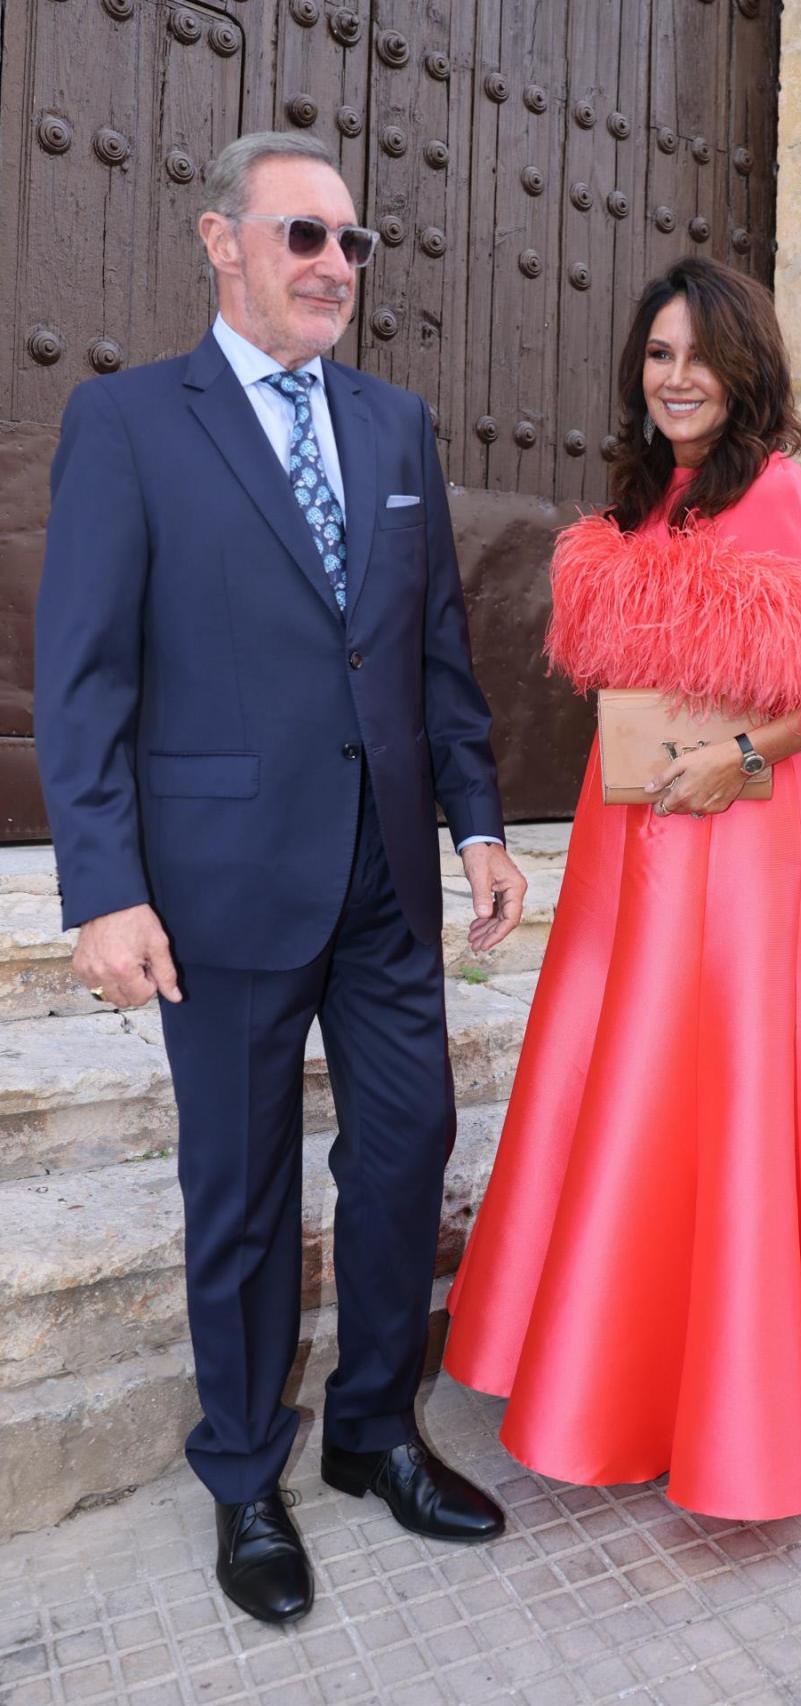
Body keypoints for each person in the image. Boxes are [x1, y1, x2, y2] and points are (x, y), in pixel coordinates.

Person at [34, 130, 528, 1625]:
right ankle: (248, 1470)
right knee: (239, 1187)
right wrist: (100, 884)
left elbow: (435, 645)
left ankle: (375, 1427)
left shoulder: (393, 426)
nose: (332, 266)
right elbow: (86, 673)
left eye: (350, 244)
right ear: (220, 240)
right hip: (218, 884)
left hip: (382, 873)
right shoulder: (128, 423)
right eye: (302, 234)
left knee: (406, 1146)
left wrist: (481, 822)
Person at [443, 256, 801, 1521]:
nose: (676, 378)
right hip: (632, 844)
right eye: (658, 356)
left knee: (721, 1089)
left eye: (698, 357)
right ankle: (610, 1356)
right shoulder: (643, 495)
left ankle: (733, 1397)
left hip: (737, 837)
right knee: (620, 1074)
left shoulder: (777, 494)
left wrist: (745, 759)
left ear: (744, 368)